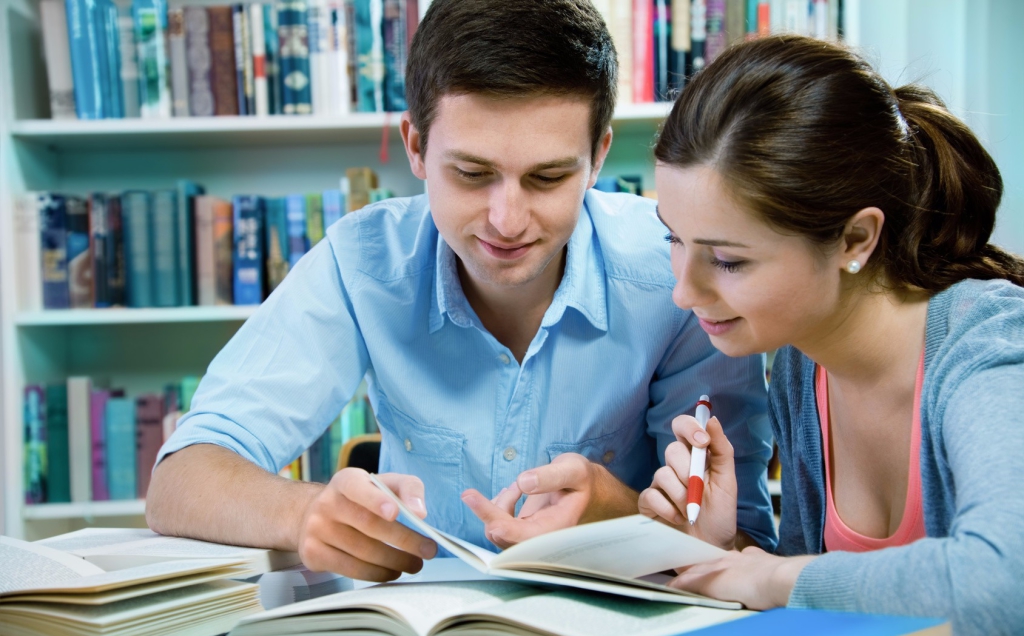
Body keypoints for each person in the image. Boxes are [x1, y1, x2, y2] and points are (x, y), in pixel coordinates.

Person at [146, 0, 775, 583]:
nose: (508, 219)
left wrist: (622, 513)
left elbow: (748, 548)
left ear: (598, 157)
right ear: (416, 147)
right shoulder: (362, 264)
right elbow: (181, 480)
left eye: (549, 177)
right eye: (472, 174)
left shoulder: (678, 278)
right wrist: (302, 512)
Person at [639, 34, 1024, 636]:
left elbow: (1005, 599)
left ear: (855, 238)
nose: (684, 291)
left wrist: (772, 578)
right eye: (674, 239)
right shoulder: (802, 366)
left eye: (729, 261)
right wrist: (721, 553)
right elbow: (828, 610)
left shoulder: (989, 344)